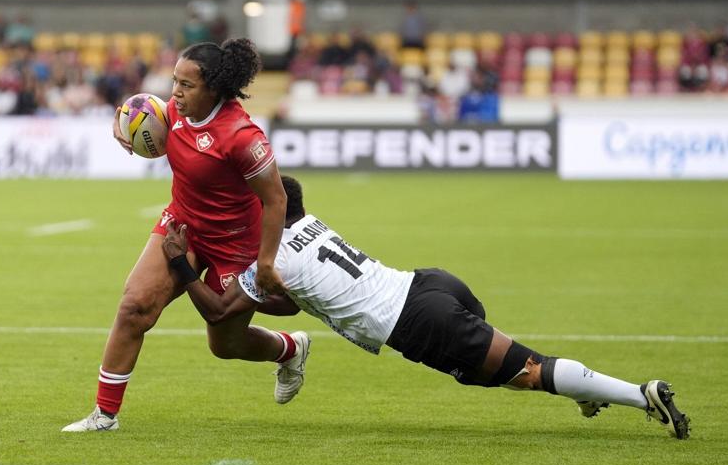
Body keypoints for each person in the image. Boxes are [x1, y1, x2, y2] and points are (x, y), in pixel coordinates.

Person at [161, 175, 691, 440]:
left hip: (416, 322)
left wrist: (182, 263)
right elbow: (295, 303)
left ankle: (641, 395)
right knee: (502, 372)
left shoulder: (270, 262)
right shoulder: (310, 223)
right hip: (430, 283)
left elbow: (216, 314)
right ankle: (583, 390)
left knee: (529, 372)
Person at [61, 40, 309, 432]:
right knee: (134, 307)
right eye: (174, 81)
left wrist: (264, 264)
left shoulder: (243, 137)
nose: (174, 92)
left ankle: (289, 348)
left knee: (224, 345)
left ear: (213, 87)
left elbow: (277, 200)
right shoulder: (174, 111)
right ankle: (104, 416)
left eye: (185, 85)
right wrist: (120, 122)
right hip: (181, 227)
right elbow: (137, 109)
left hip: (234, 244)